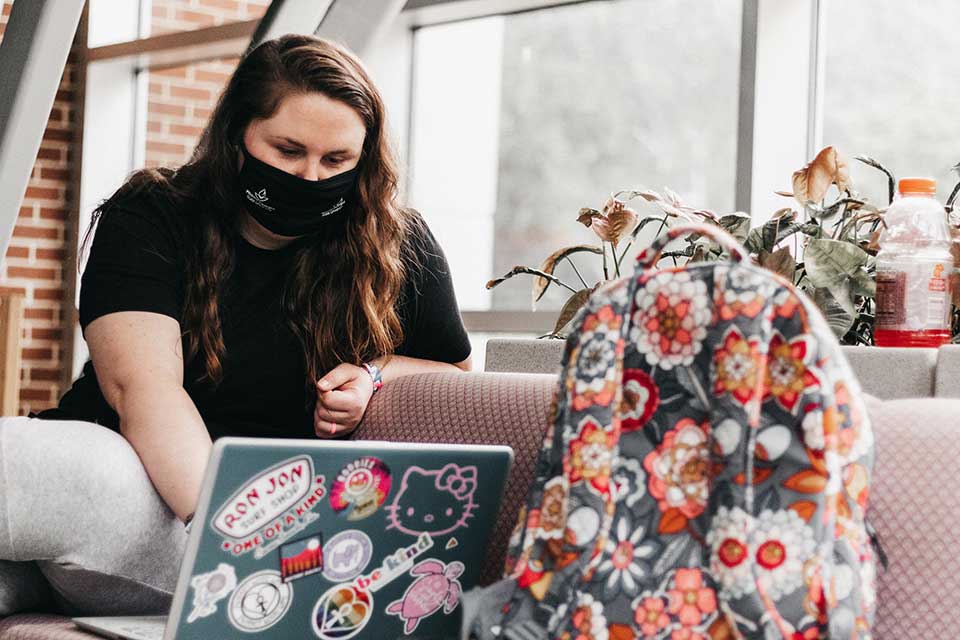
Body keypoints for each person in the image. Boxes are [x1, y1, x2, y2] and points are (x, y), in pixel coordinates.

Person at [0, 33, 472, 616]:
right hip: (175, 506)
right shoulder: (153, 215)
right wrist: (235, 536)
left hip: (279, 545)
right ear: (237, 136)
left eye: (336, 161)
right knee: (25, 457)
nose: (310, 177)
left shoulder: (398, 244)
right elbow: (144, 391)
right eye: (287, 150)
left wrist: (376, 374)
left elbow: (453, 372)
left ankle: (34, 580)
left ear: (365, 159)